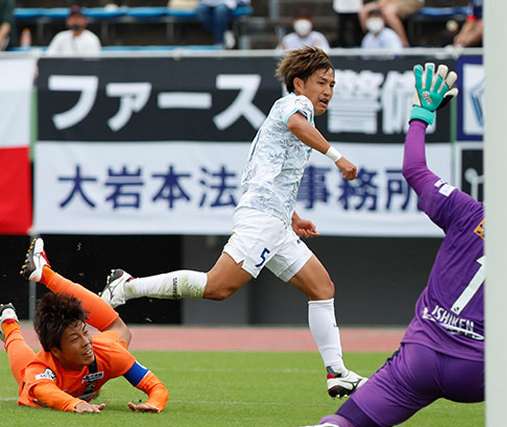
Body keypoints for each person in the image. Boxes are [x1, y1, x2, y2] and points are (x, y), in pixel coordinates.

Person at [308, 63, 507, 427]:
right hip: (474, 373)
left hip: (420, 357)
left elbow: (414, 169)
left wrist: (420, 117)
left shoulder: (466, 211)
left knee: (344, 422)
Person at [101, 46, 366, 398]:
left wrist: (293, 217)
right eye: (322, 82)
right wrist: (338, 157)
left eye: (332, 84)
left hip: (276, 221)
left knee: (322, 288)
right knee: (217, 287)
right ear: (299, 84)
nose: (328, 91)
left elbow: (266, 172)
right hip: (262, 221)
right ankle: (127, 287)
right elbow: (295, 124)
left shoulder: (290, 113)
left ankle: (337, 372)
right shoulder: (294, 106)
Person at [0, 238, 168, 413]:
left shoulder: (106, 351)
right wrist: (75, 404)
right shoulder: (39, 368)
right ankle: (9, 324)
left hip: (106, 347)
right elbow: (44, 391)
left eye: (85, 332)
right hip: (41, 375)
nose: (86, 342)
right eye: (74, 339)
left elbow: (156, 387)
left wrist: (155, 403)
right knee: (24, 374)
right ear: (56, 351)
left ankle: (45, 274)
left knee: (120, 331)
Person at [358, 0, 423, 47]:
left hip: (411, 1)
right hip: (389, 2)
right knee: (363, 11)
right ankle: (369, 42)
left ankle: (404, 44)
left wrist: (384, 2)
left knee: (389, 12)